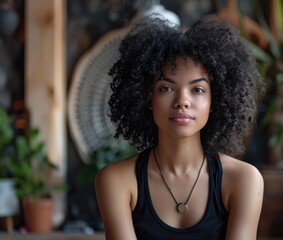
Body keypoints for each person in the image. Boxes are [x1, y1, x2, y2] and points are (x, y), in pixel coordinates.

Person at [96, 14, 265, 240]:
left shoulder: (244, 180)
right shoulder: (116, 181)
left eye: (198, 90)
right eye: (166, 88)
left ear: (215, 101)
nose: (182, 101)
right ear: (147, 98)